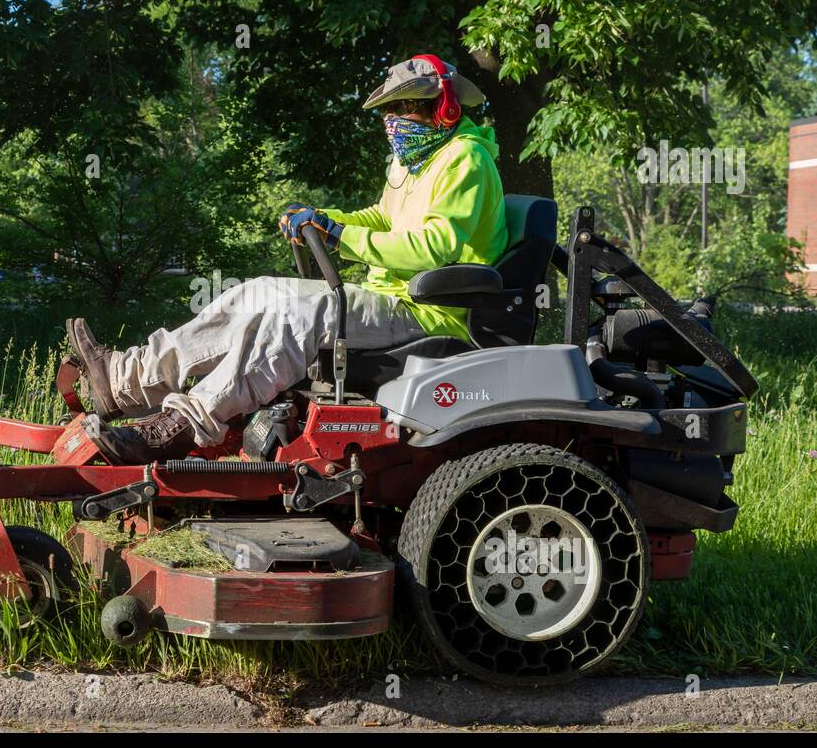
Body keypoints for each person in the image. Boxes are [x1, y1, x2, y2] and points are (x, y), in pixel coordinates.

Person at [68, 54, 508, 463]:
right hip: (387, 296)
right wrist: (324, 220)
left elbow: (433, 247)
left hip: (431, 312)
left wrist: (342, 236)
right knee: (258, 292)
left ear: (444, 106)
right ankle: (126, 379)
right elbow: (381, 218)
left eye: (403, 107)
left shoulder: (465, 161)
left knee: (297, 315)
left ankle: (185, 424)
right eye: (387, 112)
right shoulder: (410, 163)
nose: (391, 122)